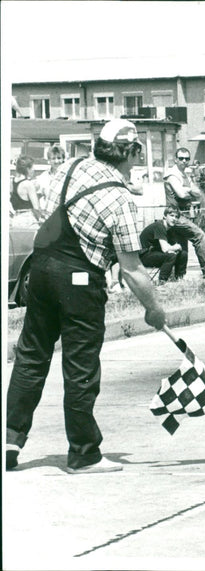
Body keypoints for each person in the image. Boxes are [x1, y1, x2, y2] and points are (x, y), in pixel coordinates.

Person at [6, 119, 166, 473]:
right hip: (79, 282)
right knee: (80, 367)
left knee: (31, 356)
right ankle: (84, 453)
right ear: (130, 153)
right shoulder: (121, 200)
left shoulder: (71, 166)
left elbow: (50, 214)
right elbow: (131, 269)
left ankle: (8, 440)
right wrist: (154, 309)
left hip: (41, 269)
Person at [163, 148, 205, 278]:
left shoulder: (184, 174)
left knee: (181, 246)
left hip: (184, 213)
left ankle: (179, 276)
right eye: (181, 158)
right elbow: (181, 194)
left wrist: (188, 190)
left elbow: (198, 194)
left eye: (187, 158)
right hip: (175, 214)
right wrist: (189, 190)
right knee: (199, 235)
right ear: (175, 159)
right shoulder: (172, 175)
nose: (184, 161)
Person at [139, 206, 187, 283]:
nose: (174, 219)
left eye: (176, 217)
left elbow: (171, 246)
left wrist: (174, 248)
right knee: (171, 255)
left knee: (183, 254)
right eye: (171, 216)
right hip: (144, 255)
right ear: (165, 216)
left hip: (154, 252)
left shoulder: (170, 229)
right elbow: (165, 248)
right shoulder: (159, 226)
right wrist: (175, 247)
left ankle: (179, 279)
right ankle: (162, 281)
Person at [11, 156, 45, 225]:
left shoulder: (12, 182)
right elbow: (36, 208)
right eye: (32, 167)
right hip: (28, 220)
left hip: (16, 219)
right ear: (27, 169)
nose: (34, 170)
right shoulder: (28, 184)